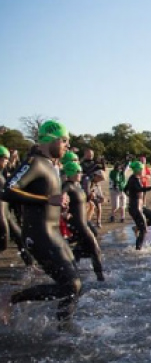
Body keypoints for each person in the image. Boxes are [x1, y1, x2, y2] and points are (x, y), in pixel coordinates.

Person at [0, 120, 82, 324]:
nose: (67, 145)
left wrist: (59, 208)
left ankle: (64, 329)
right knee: (71, 285)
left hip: (52, 231)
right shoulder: (34, 162)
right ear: (51, 139)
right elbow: (7, 191)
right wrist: (48, 200)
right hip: (39, 234)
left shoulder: (49, 165)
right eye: (64, 140)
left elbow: (44, 198)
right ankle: (11, 298)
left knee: (75, 284)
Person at [61, 161, 104, 281]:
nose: (81, 174)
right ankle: (100, 279)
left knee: (91, 238)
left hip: (83, 220)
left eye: (80, 171)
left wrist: (90, 198)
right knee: (95, 250)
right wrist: (63, 211)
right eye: (78, 172)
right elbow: (60, 196)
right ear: (71, 173)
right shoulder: (68, 185)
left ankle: (72, 265)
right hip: (77, 223)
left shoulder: (77, 185)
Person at [0, 145, 36, 269]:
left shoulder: (1, 174)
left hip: (6, 214)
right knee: (3, 244)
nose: (7, 162)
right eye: (5, 159)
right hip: (2, 215)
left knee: (20, 238)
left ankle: (30, 265)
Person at [125, 160, 151, 250]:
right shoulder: (134, 179)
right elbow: (141, 189)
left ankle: (137, 227)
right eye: (142, 169)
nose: (144, 171)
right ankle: (138, 250)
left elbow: (124, 189)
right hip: (135, 208)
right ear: (138, 170)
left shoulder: (134, 178)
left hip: (140, 206)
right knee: (144, 230)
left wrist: (131, 195)